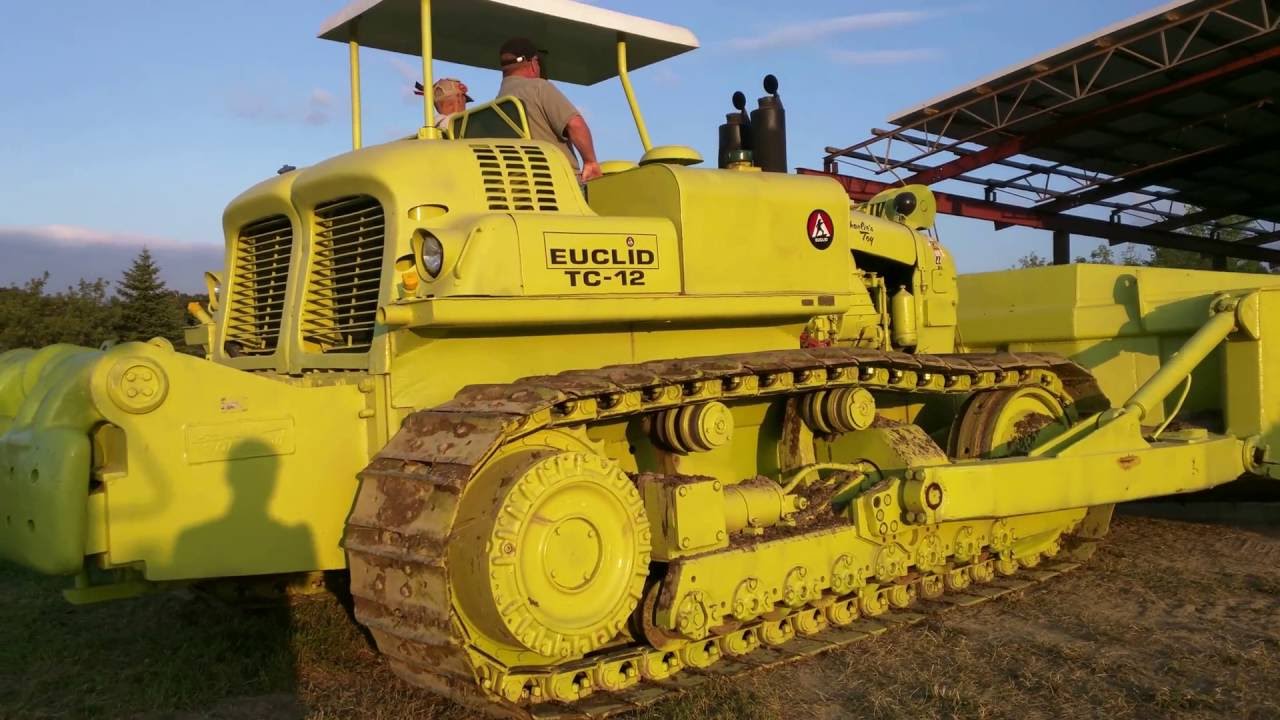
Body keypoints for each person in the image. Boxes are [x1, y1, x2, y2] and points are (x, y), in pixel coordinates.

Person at [496, 37, 601, 181]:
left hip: (522, 187)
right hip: (560, 183)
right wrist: (591, 162)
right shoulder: (539, 87)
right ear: (533, 63)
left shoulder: (497, 105)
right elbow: (575, 125)